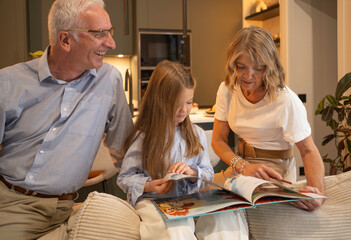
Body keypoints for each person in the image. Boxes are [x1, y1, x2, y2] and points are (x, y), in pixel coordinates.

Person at [0, 0, 133, 239]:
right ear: (65, 40)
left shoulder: (109, 80)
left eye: (109, 32)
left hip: (69, 209)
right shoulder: (8, 83)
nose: (111, 43)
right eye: (99, 34)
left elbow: (126, 149)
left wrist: (145, 186)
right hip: (13, 206)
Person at [117, 60, 248, 240]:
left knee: (225, 221)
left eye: (189, 102)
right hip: (154, 201)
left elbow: (208, 174)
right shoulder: (143, 137)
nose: (184, 110)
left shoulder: (196, 134)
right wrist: (148, 185)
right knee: (176, 229)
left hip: (190, 200)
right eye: (177, 104)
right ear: (159, 101)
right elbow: (125, 178)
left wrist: (193, 173)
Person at [212, 25, 325, 211]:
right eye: (241, 67)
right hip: (242, 166)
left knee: (230, 207)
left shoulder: (286, 100)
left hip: (274, 171)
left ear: (269, 67)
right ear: (233, 65)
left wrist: (316, 195)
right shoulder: (227, 90)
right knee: (201, 192)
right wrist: (242, 165)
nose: (248, 76)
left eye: (257, 68)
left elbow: (308, 150)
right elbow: (218, 140)